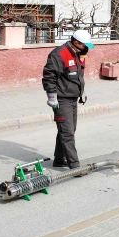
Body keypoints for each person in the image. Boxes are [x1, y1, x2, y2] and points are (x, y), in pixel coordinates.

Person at [42, 30, 94, 169]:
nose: (87, 48)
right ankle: (75, 166)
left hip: (72, 98)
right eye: (85, 45)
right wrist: (51, 96)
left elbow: (77, 76)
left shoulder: (78, 53)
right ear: (76, 42)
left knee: (68, 130)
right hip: (61, 99)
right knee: (67, 132)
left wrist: (81, 92)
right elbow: (49, 76)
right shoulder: (59, 54)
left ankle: (59, 160)